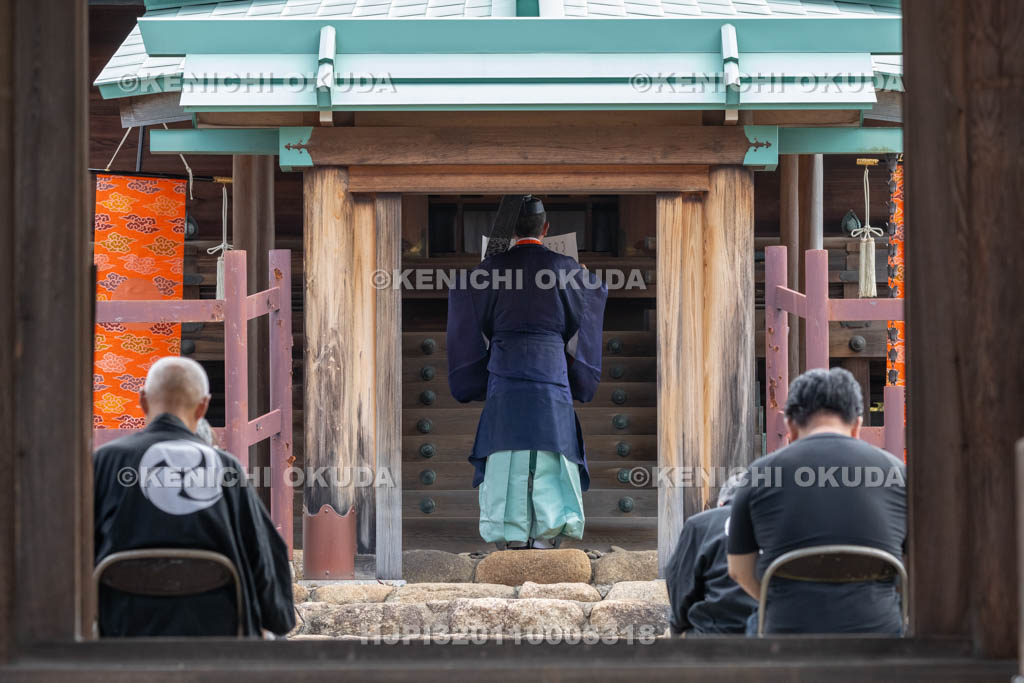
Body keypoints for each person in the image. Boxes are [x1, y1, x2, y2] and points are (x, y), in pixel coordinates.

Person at [447, 196, 607, 550]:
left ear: (511, 231)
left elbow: (463, 298)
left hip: (504, 368)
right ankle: (550, 533)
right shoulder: (568, 270)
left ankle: (511, 534)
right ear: (546, 230)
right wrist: (580, 373)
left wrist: (472, 375)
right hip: (551, 368)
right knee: (554, 452)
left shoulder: (489, 270)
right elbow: (593, 297)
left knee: (506, 454)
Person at [93, 356, 294, 637]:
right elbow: (263, 553)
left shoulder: (104, 461)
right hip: (216, 637)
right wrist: (277, 618)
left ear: (142, 401)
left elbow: (71, 553)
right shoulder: (226, 468)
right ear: (203, 406)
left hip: (122, 633)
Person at [727, 367, 906, 634]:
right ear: (857, 425)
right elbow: (914, 568)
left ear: (790, 426)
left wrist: (776, 599)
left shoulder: (759, 474)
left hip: (787, 634)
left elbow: (739, 571)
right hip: (878, 634)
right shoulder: (899, 474)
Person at [666, 472, 757, 635]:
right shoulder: (778, 522)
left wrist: (678, 626)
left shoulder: (700, 523)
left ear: (721, 503)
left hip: (716, 631)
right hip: (773, 628)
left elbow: (680, 581)